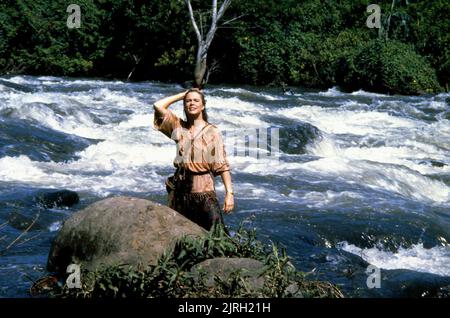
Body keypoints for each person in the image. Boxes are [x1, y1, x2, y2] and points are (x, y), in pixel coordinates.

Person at [153, 88, 234, 231]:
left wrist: (229, 194)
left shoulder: (213, 132)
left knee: (216, 233)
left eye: (196, 100)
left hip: (203, 192)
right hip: (179, 191)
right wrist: (182, 95)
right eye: (188, 101)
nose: (191, 103)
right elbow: (158, 105)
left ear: (203, 106)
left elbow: (221, 165)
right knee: (178, 234)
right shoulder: (178, 126)